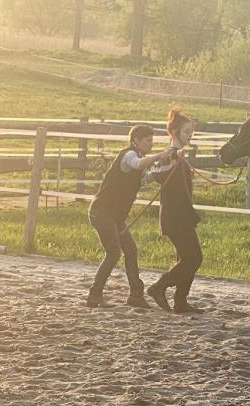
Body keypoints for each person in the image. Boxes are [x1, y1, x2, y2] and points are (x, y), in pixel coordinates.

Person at [87, 124, 174, 308]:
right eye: (148, 141)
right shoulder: (129, 156)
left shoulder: (140, 158)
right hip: (102, 213)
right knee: (113, 253)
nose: (150, 144)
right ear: (136, 140)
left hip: (114, 216)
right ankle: (94, 294)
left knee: (131, 251)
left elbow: (144, 178)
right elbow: (138, 165)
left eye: (152, 141)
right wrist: (159, 155)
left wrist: (168, 166)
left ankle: (135, 295)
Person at [147, 108, 204, 314]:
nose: (190, 135)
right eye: (187, 131)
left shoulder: (179, 156)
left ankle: (180, 302)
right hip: (174, 215)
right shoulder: (169, 155)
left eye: (191, 131)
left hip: (182, 214)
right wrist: (173, 158)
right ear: (176, 132)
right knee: (194, 258)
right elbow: (155, 174)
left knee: (187, 257)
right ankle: (159, 287)